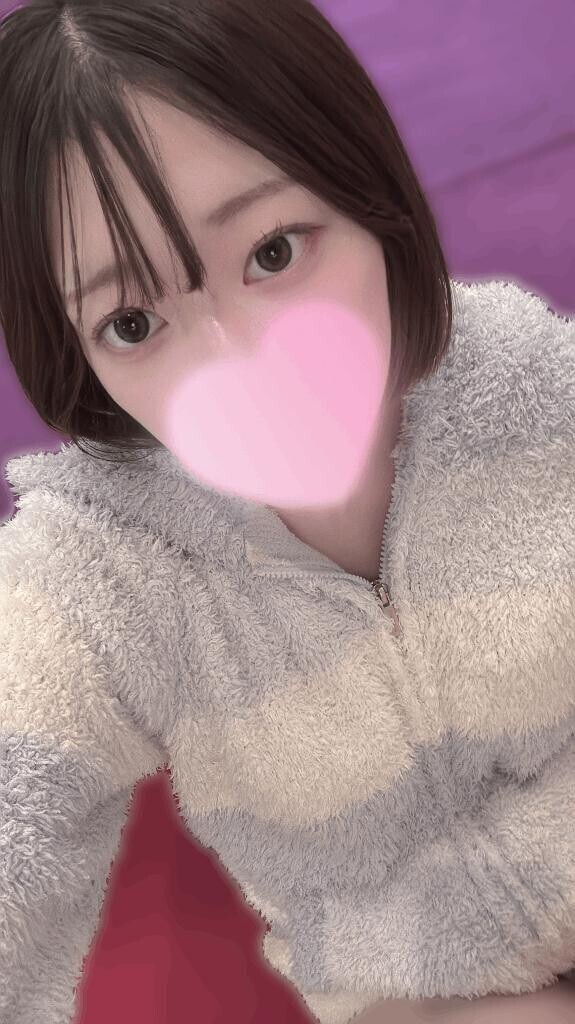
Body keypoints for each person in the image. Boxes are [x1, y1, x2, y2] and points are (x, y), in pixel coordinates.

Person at [0, 1, 574, 1023]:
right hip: (416, 994)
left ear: (365, 194)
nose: (239, 362)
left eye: (272, 252)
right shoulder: (97, 571)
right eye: (130, 321)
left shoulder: (540, 393)